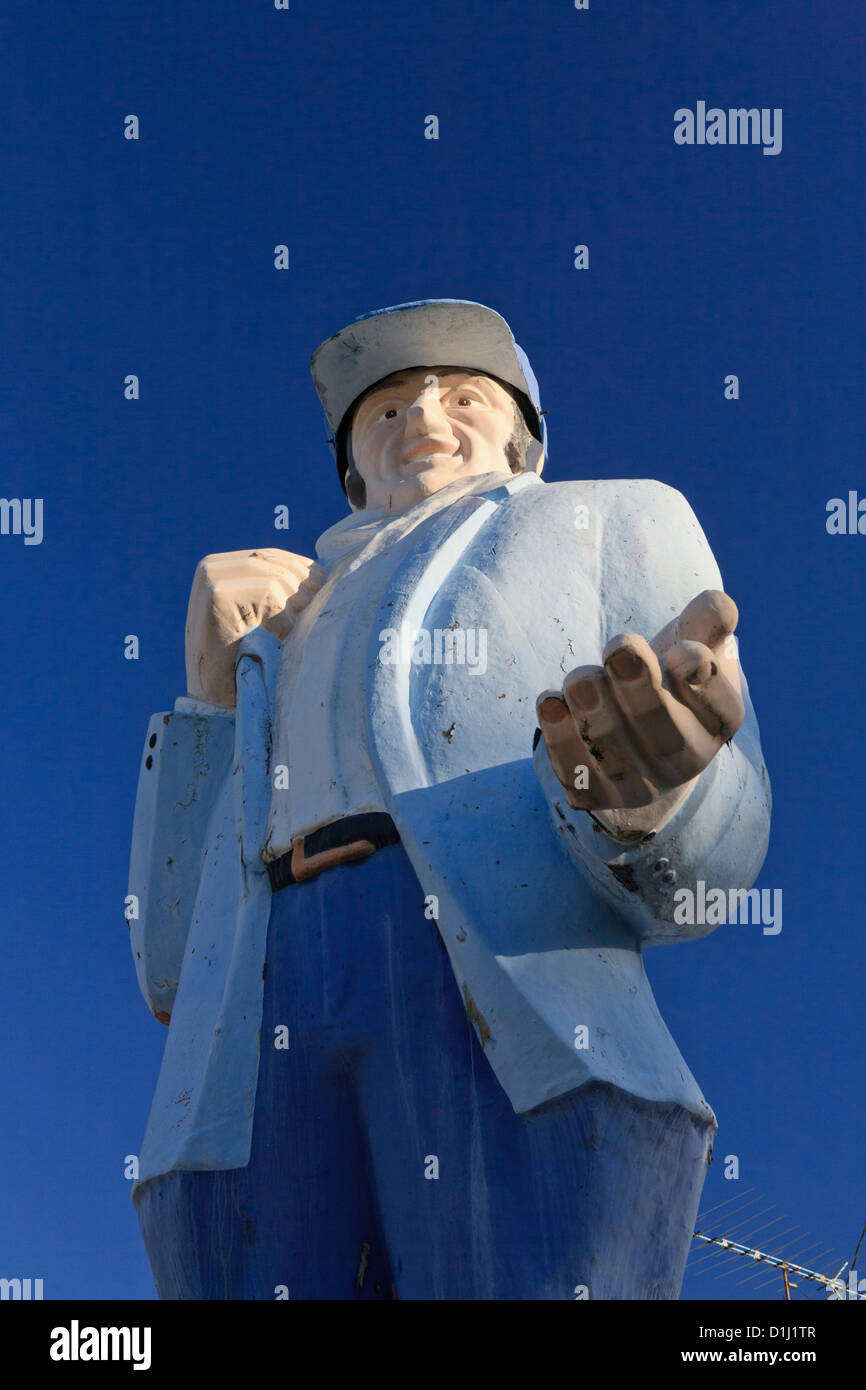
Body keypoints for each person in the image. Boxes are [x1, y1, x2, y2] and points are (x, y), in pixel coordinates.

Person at [129, 299, 771, 1299]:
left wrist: (654, 791)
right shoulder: (277, 622)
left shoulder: (604, 515)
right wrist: (212, 699)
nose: (420, 414)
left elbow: (719, 850)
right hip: (261, 1001)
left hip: (486, 963)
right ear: (350, 458)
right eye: (381, 408)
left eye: (462, 394)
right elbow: (171, 968)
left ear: (520, 439)